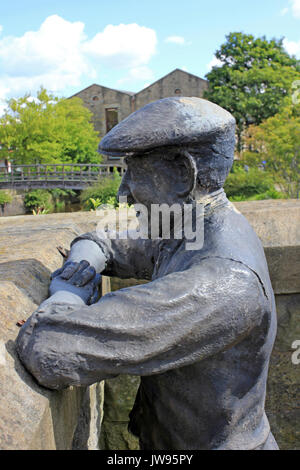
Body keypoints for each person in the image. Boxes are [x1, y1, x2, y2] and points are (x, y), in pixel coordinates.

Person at [16, 97, 278, 450]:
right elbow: (101, 240)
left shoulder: (223, 283)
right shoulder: (190, 231)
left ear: (183, 174)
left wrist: (67, 291)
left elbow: (47, 349)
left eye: (134, 172)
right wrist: (83, 267)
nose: (123, 192)